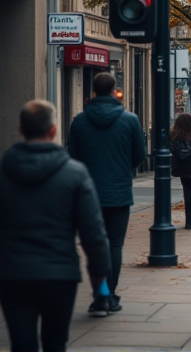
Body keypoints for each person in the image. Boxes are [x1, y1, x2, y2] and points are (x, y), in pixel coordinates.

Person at [0, 100, 111, 349]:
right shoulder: (75, 173)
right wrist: (99, 275)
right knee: (55, 341)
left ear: (21, 130)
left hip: (12, 272)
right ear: (53, 130)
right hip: (60, 272)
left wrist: (6, 242)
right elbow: (93, 232)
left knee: (21, 342)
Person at [67, 71, 145, 314]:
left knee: (93, 246)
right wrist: (122, 169)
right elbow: (139, 157)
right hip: (119, 192)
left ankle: (100, 296)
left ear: (93, 92)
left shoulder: (79, 121)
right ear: (114, 91)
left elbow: (72, 158)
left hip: (88, 194)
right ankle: (110, 294)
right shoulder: (130, 120)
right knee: (115, 246)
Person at [170, 113, 191, 229]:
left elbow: (171, 150)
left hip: (180, 167)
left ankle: (187, 218)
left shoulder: (174, 136)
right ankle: (189, 220)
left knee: (185, 189)